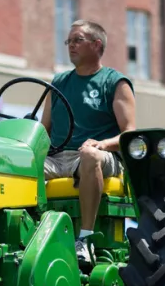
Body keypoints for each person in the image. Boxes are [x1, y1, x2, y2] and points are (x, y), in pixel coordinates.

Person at [41, 20, 136, 266]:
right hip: (58, 158)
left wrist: (102, 145)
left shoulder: (115, 82)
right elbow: (43, 130)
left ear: (96, 45)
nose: (71, 46)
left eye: (77, 40)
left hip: (103, 158)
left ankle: (84, 239)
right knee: (21, 168)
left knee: (89, 156)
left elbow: (129, 134)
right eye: (68, 41)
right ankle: (31, 234)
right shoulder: (58, 83)